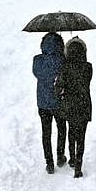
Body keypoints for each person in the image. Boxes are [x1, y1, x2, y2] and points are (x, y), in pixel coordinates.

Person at [56, 37, 92, 178]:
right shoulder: (88, 67)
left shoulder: (65, 68)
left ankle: (71, 158)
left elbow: (59, 88)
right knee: (81, 137)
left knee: (71, 132)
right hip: (84, 105)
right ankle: (78, 166)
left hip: (70, 105)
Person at [33, 32, 67, 174]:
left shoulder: (37, 60)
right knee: (61, 129)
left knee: (46, 133)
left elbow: (37, 73)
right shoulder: (62, 60)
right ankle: (60, 156)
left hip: (43, 102)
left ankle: (49, 163)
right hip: (58, 101)